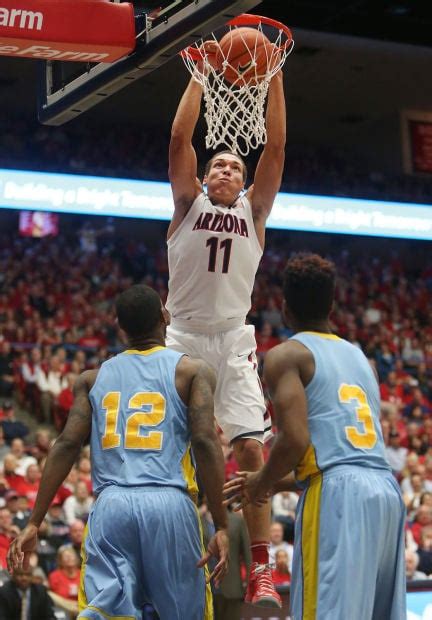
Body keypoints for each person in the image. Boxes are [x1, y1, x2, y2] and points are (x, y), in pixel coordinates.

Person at [8, 284, 229, 619]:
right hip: (168, 502)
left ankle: (105, 609)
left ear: (119, 326)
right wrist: (222, 524)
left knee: (108, 604)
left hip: (112, 505)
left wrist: (35, 521)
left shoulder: (91, 379)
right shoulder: (192, 371)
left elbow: (66, 444)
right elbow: (205, 441)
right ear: (164, 317)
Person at [166, 50, 286, 607]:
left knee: (252, 452)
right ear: (204, 174)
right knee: (170, 448)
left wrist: (274, 78)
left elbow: (277, 148)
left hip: (234, 337)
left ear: (242, 181)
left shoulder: (253, 214)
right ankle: (176, 543)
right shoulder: (187, 203)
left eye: (235, 166)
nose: (226, 169)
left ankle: (261, 567)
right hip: (183, 336)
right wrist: (198, 75)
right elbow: (177, 139)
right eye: (218, 164)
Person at [224, 254, 407, 620]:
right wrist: (278, 486)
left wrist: (262, 481)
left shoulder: (284, 355)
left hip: (339, 495)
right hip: (385, 492)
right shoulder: (361, 359)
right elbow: (346, 456)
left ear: (285, 309)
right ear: (333, 305)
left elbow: (294, 438)